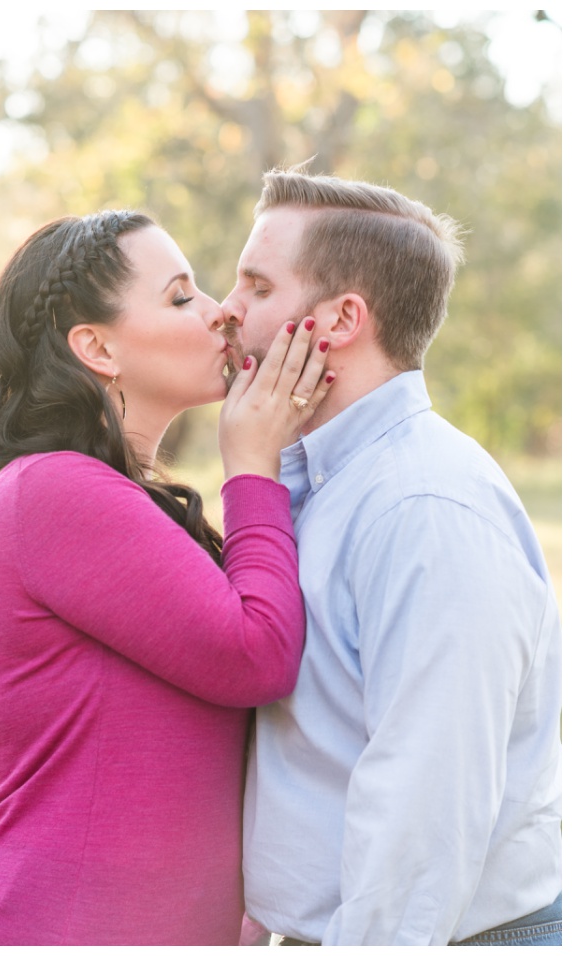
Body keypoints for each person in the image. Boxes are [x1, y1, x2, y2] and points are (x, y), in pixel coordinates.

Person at [0, 210, 336, 945]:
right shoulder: (52, 492)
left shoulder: (122, 503)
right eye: (182, 297)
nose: (222, 314)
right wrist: (252, 464)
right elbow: (258, 656)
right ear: (96, 348)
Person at [225, 170, 562, 945]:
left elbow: (424, 817)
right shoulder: (316, 483)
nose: (227, 311)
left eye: (256, 286)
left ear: (340, 319)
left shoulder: (425, 509)